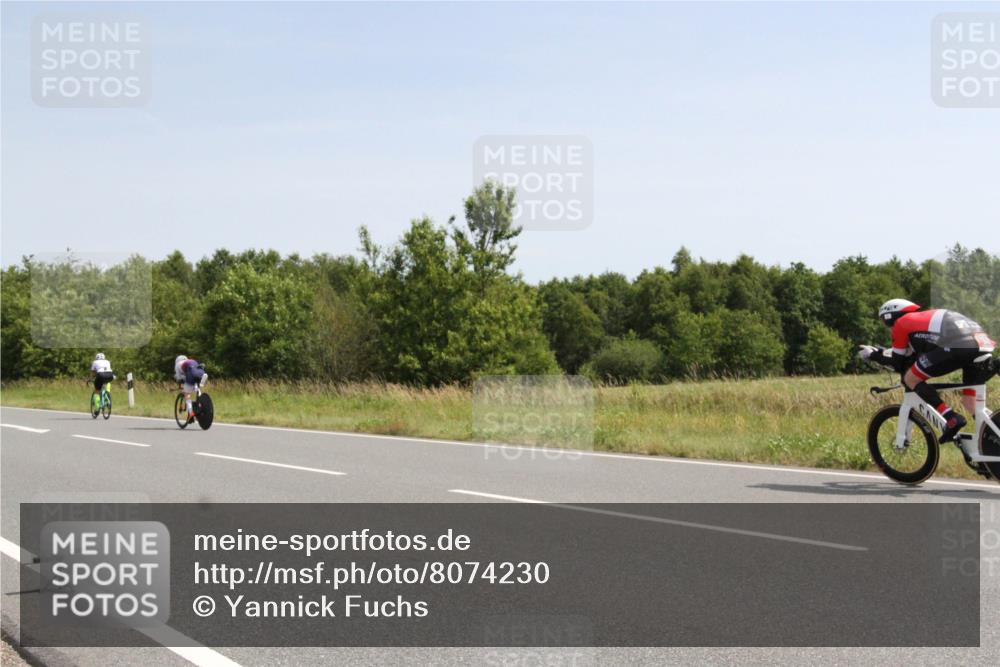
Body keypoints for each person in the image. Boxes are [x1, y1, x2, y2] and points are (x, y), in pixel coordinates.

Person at [859, 299, 997, 443]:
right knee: (970, 403)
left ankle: (951, 417)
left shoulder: (901, 322)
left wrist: (873, 355)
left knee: (910, 379)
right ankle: (992, 440)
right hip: (982, 345)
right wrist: (882, 353)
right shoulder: (923, 320)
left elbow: (897, 363)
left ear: (889, 317)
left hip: (958, 346)